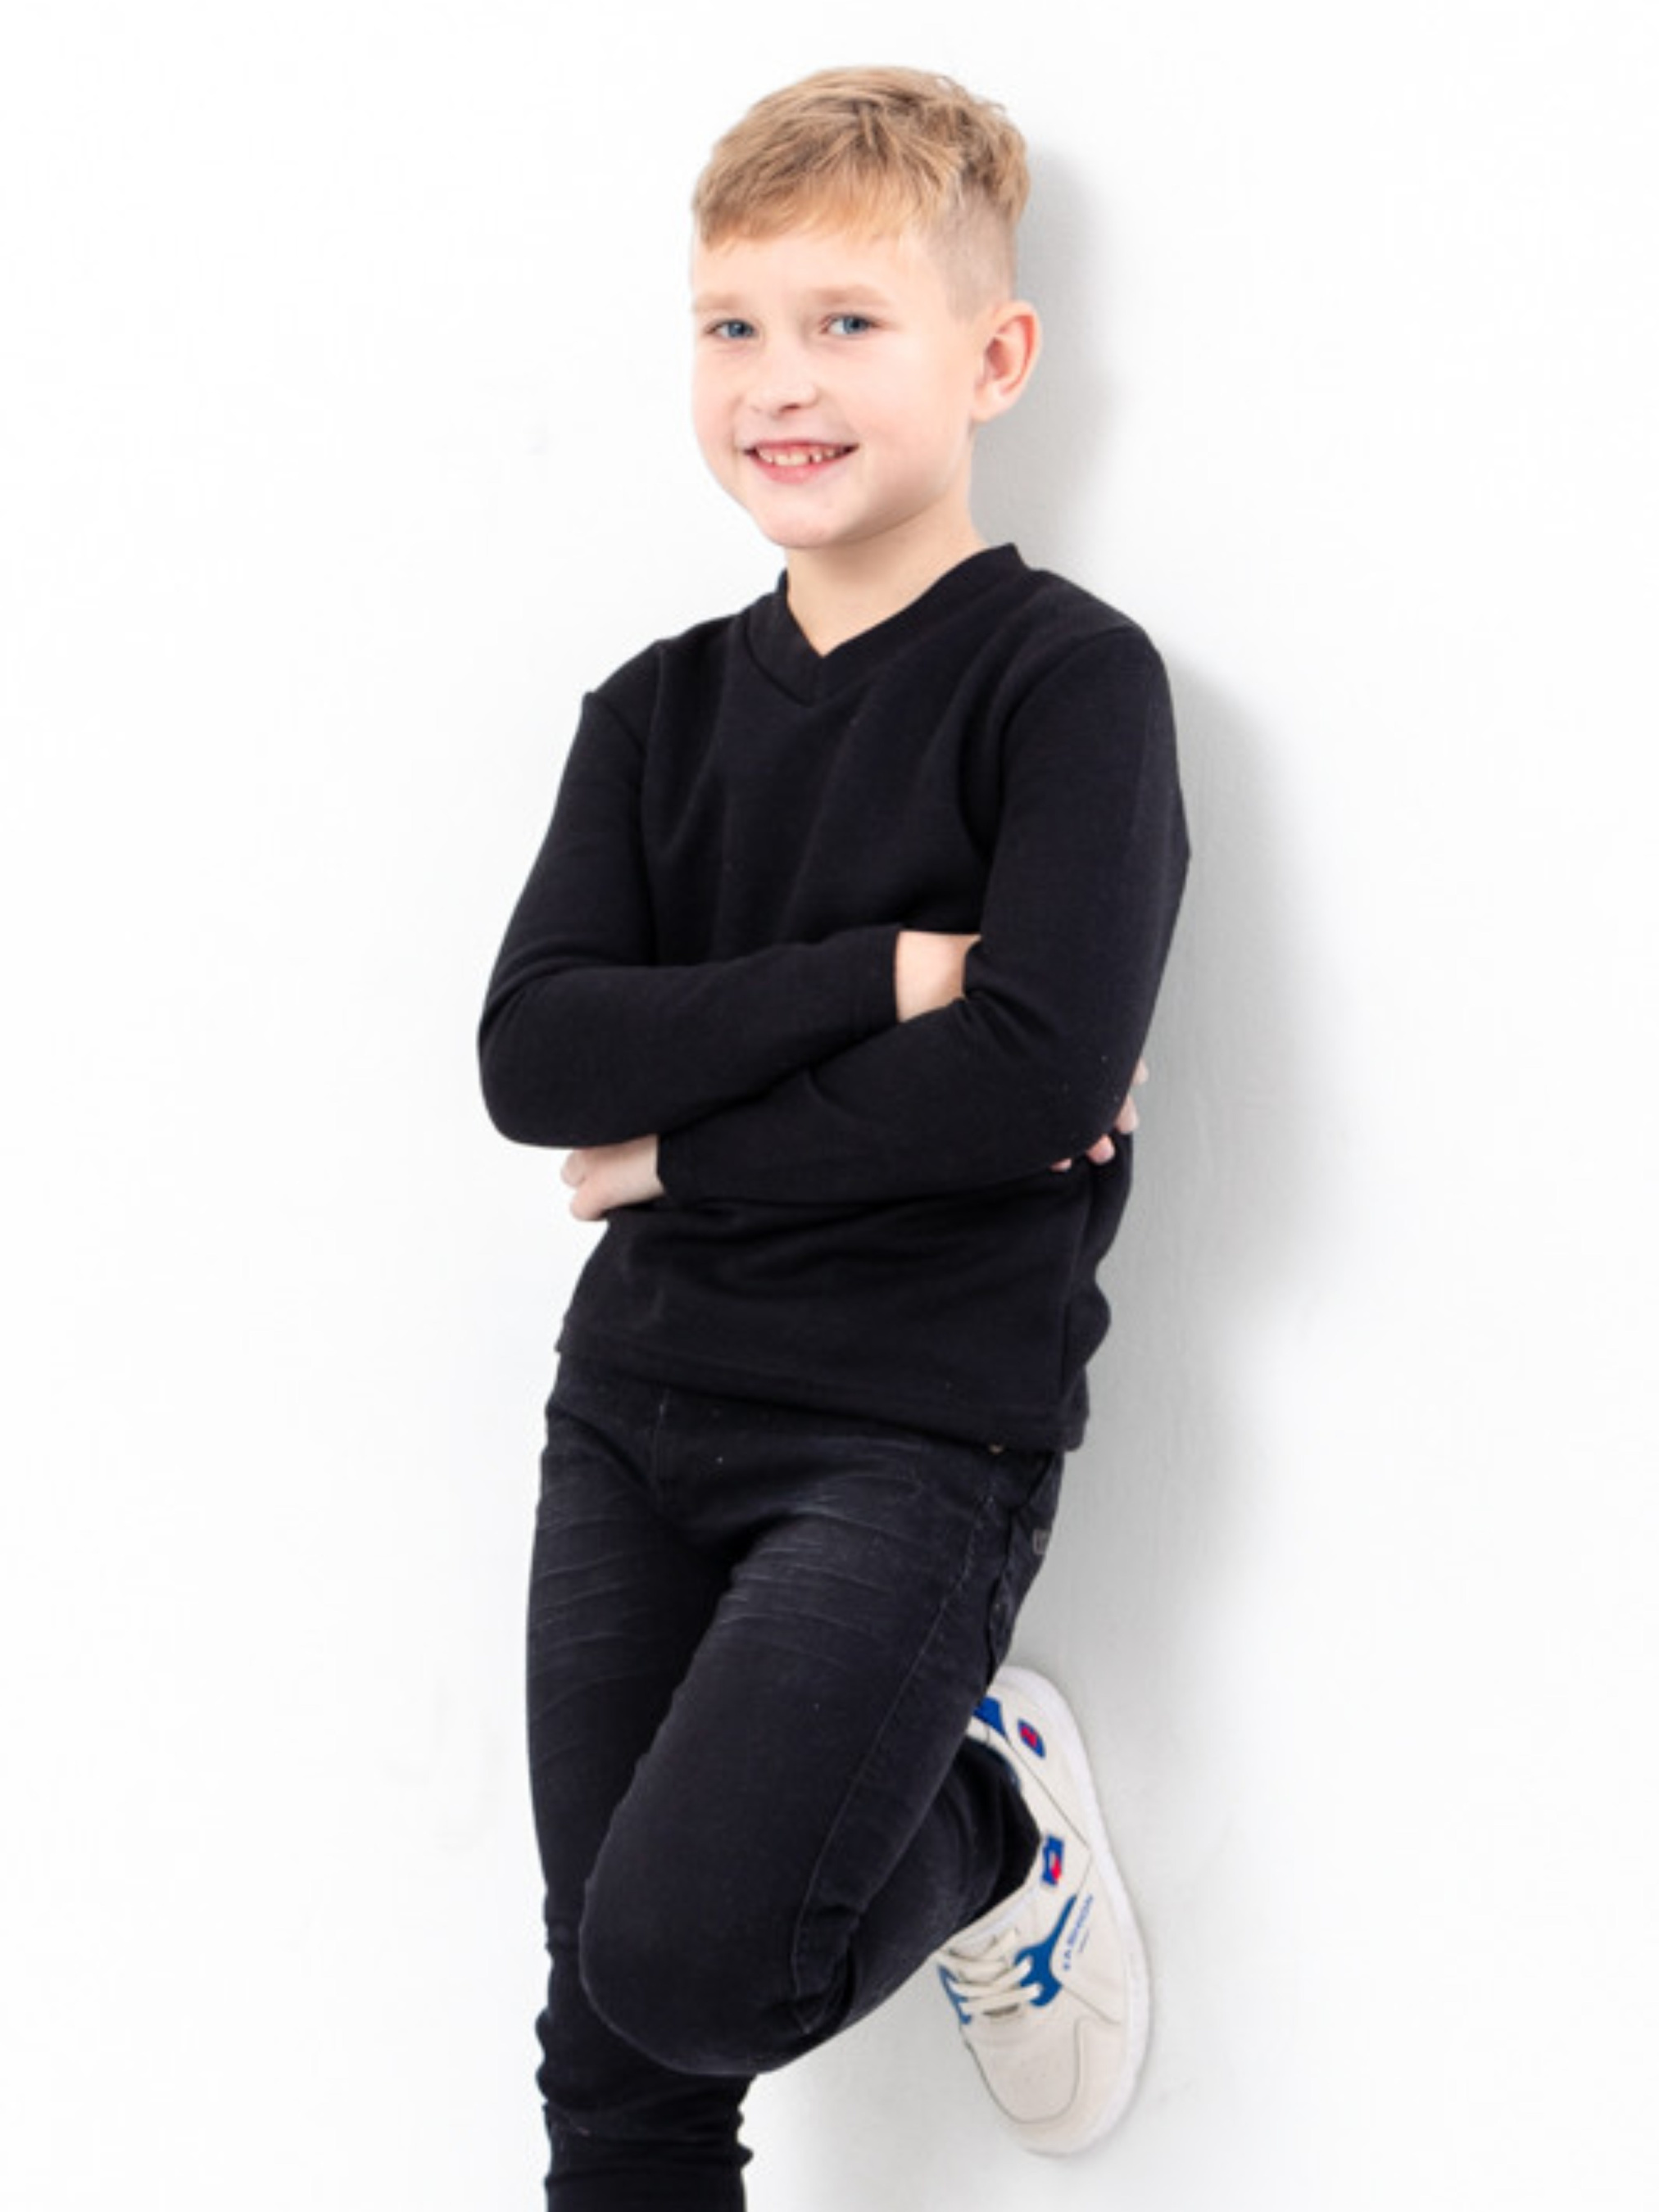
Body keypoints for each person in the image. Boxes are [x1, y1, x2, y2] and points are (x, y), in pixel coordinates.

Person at [479, 65, 1188, 2210]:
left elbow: (1035, 1079)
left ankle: (994, 1827)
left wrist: (673, 1158)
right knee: (612, 2061)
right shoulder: (653, 714)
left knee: (693, 1971)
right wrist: (883, 971)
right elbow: (537, 1058)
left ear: (994, 357)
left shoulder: (1067, 685)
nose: (778, 381)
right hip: (633, 1410)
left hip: (909, 1429)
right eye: (733, 326)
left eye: (846, 322)